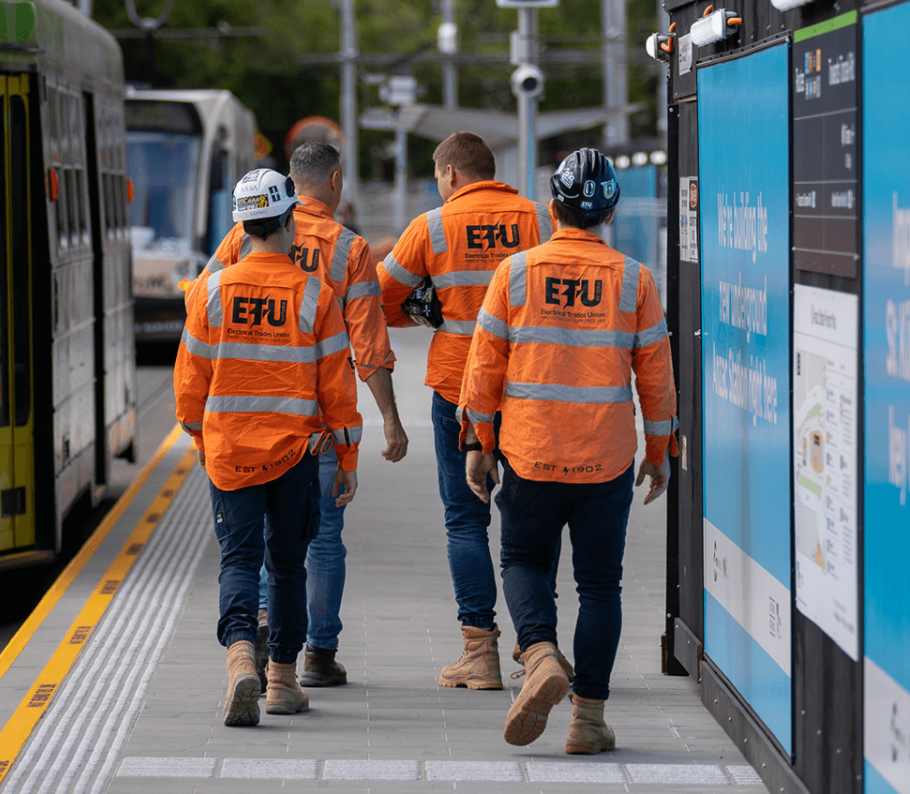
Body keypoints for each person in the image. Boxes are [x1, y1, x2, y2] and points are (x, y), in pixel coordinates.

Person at [457, 147, 677, 754]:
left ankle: (540, 654)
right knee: (601, 585)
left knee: (524, 563)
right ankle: (588, 720)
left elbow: (483, 370)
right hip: (605, 459)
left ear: (552, 206)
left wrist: (478, 442)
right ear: (610, 213)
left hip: (529, 453)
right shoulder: (636, 280)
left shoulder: (516, 273)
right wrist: (659, 450)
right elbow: (657, 379)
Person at [200, 141, 408, 688]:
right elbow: (367, 345)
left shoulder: (237, 241)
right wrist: (387, 419)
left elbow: (201, 312)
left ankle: (260, 639)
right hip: (313, 427)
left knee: (247, 551)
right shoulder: (349, 250)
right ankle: (313, 655)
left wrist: (200, 431)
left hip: (239, 428)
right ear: (335, 181)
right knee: (318, 540)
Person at [174, 168, 362, 727]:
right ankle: (281, 681)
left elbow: (189, 383)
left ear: (241, 226)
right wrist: (346, 458)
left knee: (238, 559)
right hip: (295, 456)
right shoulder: (314, 294)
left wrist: (199, 436)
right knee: (286, 565)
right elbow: (337, 389)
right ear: (288, 223)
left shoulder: (209, 291)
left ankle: (239, 663)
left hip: (231, 454)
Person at [377, 130, 552, 689]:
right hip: (529, 388)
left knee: (465, 519)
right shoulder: (535, 220)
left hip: (457, 387)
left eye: (436, 176)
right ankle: (538, 645)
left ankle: (480, 653)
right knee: (530, 521)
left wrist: (426, 317)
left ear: (451, 174)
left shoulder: (431, 227)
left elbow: (381, 299)